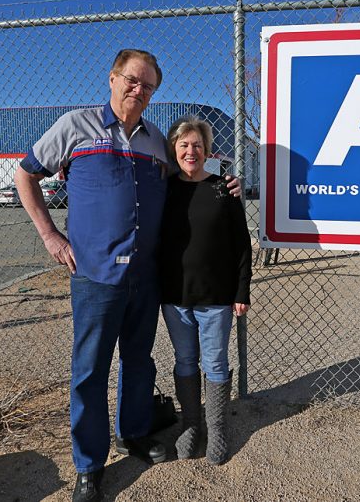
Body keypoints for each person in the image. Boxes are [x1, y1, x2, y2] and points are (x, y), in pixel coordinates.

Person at [14, 50, 241, 502]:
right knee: (90, 372)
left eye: (149, 86)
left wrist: (225, 183)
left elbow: (189, 177)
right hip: (95, 278)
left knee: (139, 362)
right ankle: (88, 465)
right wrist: (51, 237)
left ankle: (133, 433)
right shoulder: (76, 127)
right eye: (133, 81)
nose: (140, 91)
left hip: (145, 276)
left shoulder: (157, 139)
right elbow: (26, 174)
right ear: (113, 78)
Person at [159, 116, 252, 465]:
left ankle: (216, 428)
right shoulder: (165, 189)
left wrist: (242, 290)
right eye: (183, 144)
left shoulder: (223, 188)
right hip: (174, 296)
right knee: (184, 360)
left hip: (216, 298)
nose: (190, 151)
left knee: (215, 362)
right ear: (174, 149)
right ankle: (191, 425)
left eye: (197, 144)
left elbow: (242, 244)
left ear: (207, 150)